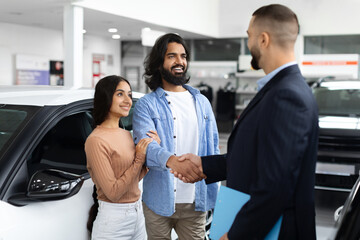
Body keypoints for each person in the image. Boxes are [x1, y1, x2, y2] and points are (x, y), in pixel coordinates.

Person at [174, 4, 319, 240]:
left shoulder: (287, 95)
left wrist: (235, 235)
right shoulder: (279, 89)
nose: (249, 42)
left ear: (263, 39)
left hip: (274, 231)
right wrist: (204, 165)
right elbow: (258, 159)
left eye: (249, 36)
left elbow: (275, 186)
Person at [132, 33, 220, 240]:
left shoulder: (202, 103)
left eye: (183, 56)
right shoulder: (147, 104)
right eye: (172, 56)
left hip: (195, 199)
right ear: (159, 62)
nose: (180, 61)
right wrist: (172, 161)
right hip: (158, 200)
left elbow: (213, 149)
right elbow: (146, 149)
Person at [85, 75, 160, 240]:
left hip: (137, 214)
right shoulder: (96, 140)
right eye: (120, 94)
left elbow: (134, 178)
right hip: (113, 221)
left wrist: (152, 150)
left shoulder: (126, 134)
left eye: (129, 95)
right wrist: (139, 159)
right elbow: (113, 192)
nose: (127, 100)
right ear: (105, 97)